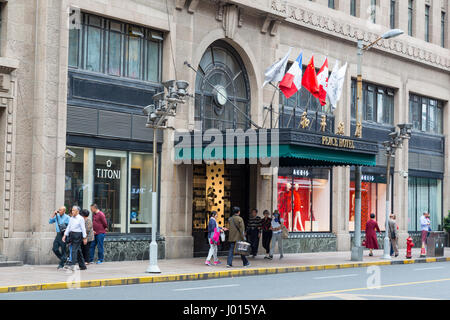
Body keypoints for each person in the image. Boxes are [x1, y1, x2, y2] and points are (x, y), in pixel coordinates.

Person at [62, 206, 87, 271]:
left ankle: (72, 265)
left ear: (77, 211)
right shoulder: (71, 218)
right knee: (78, 250)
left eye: (73, 210)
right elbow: (68, 227)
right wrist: (65, 235)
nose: (72, 211)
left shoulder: (80, 218)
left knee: (74, 250)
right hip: (72, 235)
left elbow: (83, 228)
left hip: (78, 235)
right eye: (72, 210)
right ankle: (82, 266)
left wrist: (84, 237)